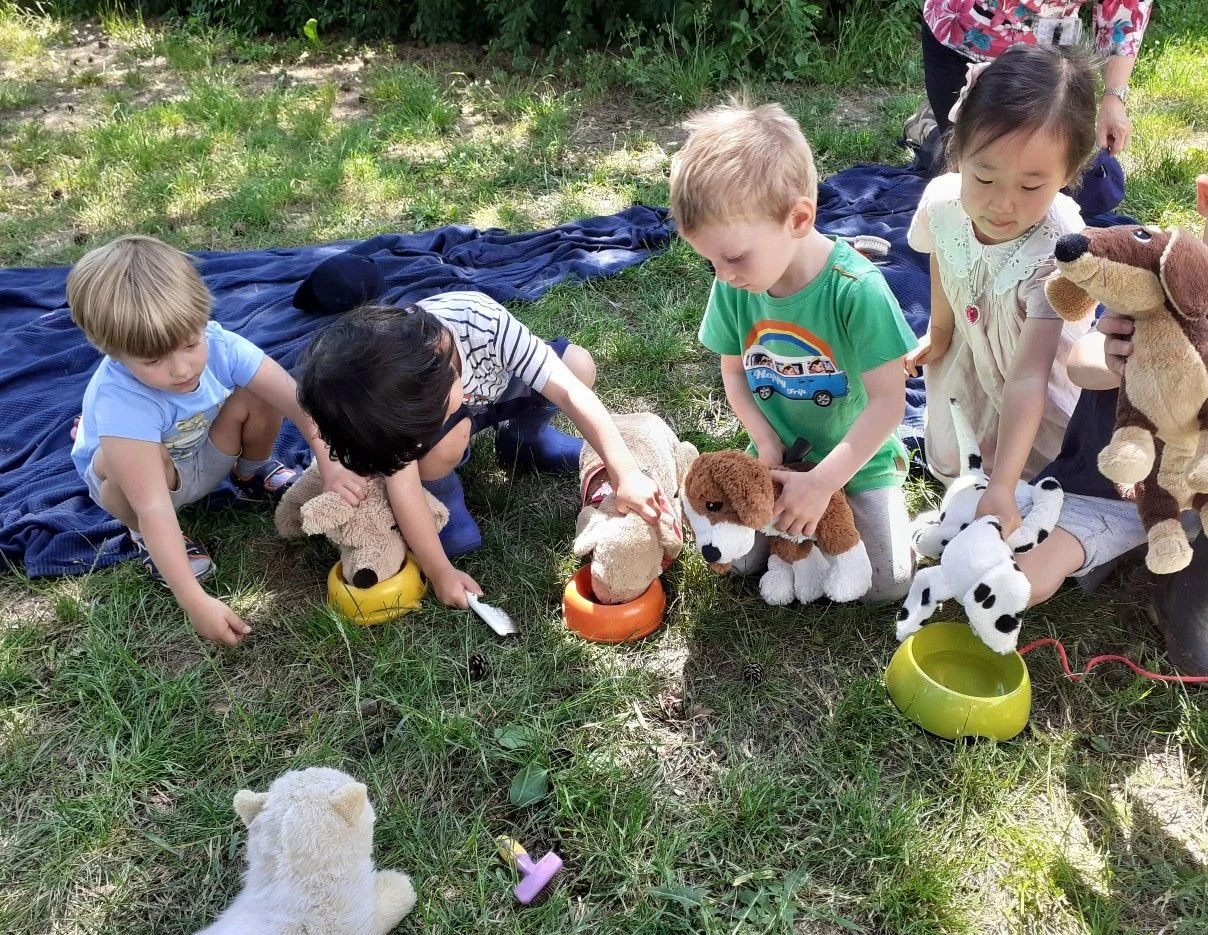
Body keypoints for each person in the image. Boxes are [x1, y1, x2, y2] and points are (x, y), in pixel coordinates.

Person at [1015, 87, 1208, 687]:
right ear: (1207, 201)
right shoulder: (1162, 273)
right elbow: (1079, 360)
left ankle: (1189, 598)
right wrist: (1108, 358)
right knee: (1034, 575)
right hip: (1117, 488)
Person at [670, 99, 919, 601]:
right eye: (711, 263)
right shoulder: (735, 284)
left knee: (888, 584)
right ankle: (807, 543)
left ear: (798, 218)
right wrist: (764, 442)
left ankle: (837, 526)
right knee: (739, 562)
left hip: (856, 460)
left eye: (734, 257)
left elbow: (889, 403)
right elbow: (735, 373)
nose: (723, 276)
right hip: (778, 458)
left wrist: (825, 482)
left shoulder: (856, 291)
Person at [67, 236, 367, 646]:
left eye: (191, 343)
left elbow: (297, 402)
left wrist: (330, 462)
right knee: (114, 466)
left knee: (258, 391)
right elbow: (153, 504)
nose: (181, 369)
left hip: (202, 450)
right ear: (113, 354)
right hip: (151, 489)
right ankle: (146, 541)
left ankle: (252, 471)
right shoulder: (120, 401)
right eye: (153, 360)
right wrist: (194, 600)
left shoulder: (221, 344)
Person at [296, 290, 664, 608]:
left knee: (577, 364)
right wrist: (441, 572)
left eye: (413, 442)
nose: (406, 452)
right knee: (447, 441)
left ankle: (527, 440)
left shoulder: (480, 321)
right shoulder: (396, 396)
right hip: (453, 411)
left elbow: (568, 389)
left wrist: (626, 472)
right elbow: (402, 485)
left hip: (501, 388)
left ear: (450, 377)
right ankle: (444, 494)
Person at [907, 44, 1099, 537]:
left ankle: (1010, 475)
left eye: (1031, 186)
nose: (1002, 203)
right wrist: (940, 327)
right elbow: (942, 255)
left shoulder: (1057, 249)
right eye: (985, 176)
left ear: (1067, 177)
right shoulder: (944, 203)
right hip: (975, 351)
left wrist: (1004, 486)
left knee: (1034, 481)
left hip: (1033, 379)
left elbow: (1029, 377)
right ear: (958, 153)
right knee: (955, 453)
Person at [921, 1, 1152, 155]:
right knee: (971, 168)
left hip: (1051, 47)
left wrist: (1113, 98)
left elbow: (1125, 8)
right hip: (962, 37)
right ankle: (928, 132)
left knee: (1051, 177)